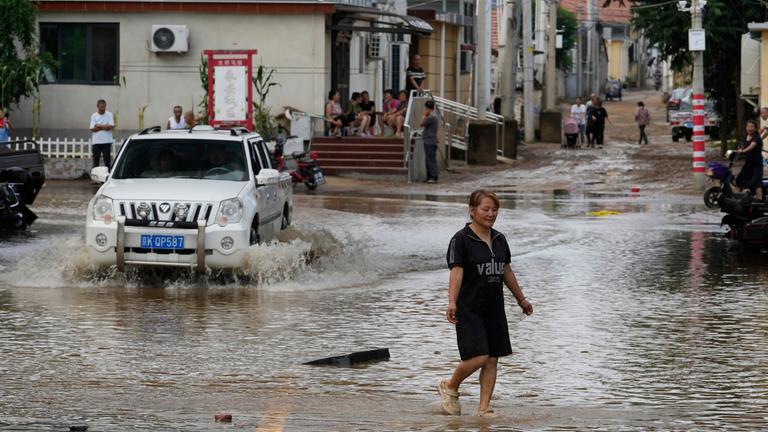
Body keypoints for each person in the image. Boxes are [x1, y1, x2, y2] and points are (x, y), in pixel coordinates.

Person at [439, 190, 533, 417]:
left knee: (492, 359)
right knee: (478, 357)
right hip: (469, 307)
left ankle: (484, 408)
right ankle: (450, 386)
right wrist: (452, 302)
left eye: (494, 210)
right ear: (472, 210)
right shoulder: (461, 239)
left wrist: (521, 299)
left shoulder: (500, 239)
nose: (491, 214)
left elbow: (506, 271)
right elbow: (457, 272)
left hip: (494, 307)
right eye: (485, 209)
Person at [735, 119, 764, 201]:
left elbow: (752, 146)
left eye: (751, 127)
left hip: (756, 164)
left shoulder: (757, 138)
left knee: (756, 183)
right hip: (748, 163)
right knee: (739, 180)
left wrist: (743, 151)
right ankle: (738, 199)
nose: (749, 128)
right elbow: (741, 146)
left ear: (755, 129)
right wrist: (738, 150)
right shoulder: (745, 137)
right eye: (748, 126)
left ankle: (760, 200)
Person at [89, 99, 115, 168]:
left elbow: (111, 126)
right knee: (95, 161)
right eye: (101, 107)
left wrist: (99, 125)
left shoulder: (109, 114)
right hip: (96, 142)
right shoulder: (94, 116)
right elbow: (92, 129)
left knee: (107, 161)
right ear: (97, 106)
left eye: (104, 107)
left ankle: (108, 176)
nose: (102, 109)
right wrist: (105, 126)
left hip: (107, 141)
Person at [421, 100, 439, 183]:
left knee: (430, 159)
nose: (424, 109)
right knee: (428, 159)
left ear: (428, 108)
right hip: (430, 139)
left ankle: (433, 176)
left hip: (430, 140)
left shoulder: (431, 117)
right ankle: (429, 176)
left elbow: (421, 124)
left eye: (425, 108)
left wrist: (424, 115)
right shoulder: (434, 115)